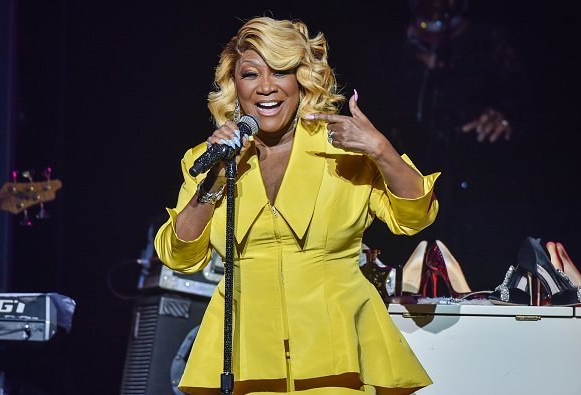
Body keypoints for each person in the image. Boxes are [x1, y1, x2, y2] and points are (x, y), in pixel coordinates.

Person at [154, 16, 440, 395]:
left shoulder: (344, 151)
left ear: (301, 80)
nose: (267, 87)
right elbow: (180, 256)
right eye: (252, 74)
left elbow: (414, 217)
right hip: (245, 358)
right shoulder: (210, 159)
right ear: (233, 85)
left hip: (337, 356)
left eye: (282, 71)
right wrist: (217, 181)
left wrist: (381, 150)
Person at [380, 0, 530, 290]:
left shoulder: (486, 40)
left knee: (477, 263)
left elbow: (524, 105)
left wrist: (504, 118)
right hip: (405, 171)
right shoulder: (390, 42)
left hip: (471, 176)